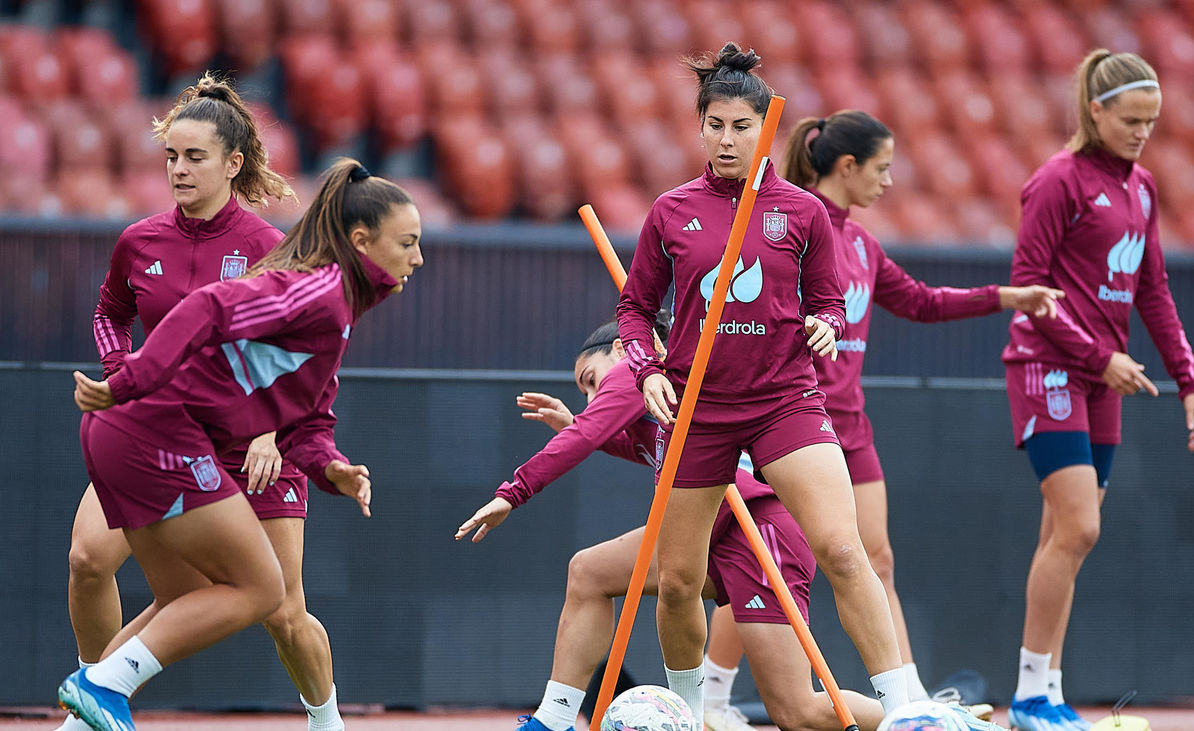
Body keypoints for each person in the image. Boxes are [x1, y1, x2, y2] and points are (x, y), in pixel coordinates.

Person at [57, 157, 423, 731]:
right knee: (262, 587)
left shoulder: (336, 308)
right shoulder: (319, 293)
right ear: (362, 242)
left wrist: (333, 469)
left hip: (135, 431)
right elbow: (206, 306)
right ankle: (102, 683)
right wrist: (125, 380)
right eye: (408, 242)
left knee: (185, 599)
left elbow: (309, 419)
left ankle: (85, 714)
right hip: (153, 430)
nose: (418, 257)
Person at [615, 42, 907, 720]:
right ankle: (689, 712)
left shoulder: (801, 211)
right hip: (697, 410)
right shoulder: (670, 210)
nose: (725, 139)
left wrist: (827, 324)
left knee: (842, 545)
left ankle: (904, 706)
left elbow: (829, 300)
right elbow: (634, 309)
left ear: (765, 128)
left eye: (740, 126)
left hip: (785, 402)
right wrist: (646, 367)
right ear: (699, 126)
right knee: (680, 579)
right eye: (713, 124)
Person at [455, 320, 888, 731]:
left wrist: (513, 492)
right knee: (592, 572)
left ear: (623, 349)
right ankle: (555, 717)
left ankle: (922, 721)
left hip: (756, 528)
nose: (590, 397)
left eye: (591, 380)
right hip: (717, 527)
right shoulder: (659, 390)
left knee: (799, 712)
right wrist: (578, 424)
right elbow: (637, 446)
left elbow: (586, 435)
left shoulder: (637, 372)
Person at [777, 110, 1065, 705]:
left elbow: (922, 302)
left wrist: (1008, 296)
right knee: (773, 564)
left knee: (877, 558)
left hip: (850, 425)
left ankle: (908, 703)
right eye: (881, 169)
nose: (888, 182)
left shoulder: (860, 241)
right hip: (794, 420)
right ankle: (718, 698)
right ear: (848, 166)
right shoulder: (795, 228)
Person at [1001, 50, 1194, 731]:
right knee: (1080, 525)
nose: (1141, 132)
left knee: (1065, 535)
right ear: (1096, 111)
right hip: (1048, 367)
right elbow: (1030, 291)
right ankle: (1032, 695)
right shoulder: (1057, 181)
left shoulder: (1143, 187)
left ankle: (1046, 692)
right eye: (1130, 120)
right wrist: (1101, 355)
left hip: (1101, 377)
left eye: (1150, 122)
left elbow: (1152, 288)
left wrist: (1189, 379)